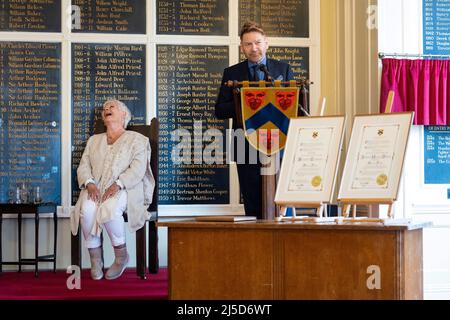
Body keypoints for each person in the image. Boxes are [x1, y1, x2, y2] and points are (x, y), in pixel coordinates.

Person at [215, 22, 294, 219]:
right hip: (245, 144)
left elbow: (295, 105)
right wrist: (247, 104)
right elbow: (219, 110)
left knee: (280, 200)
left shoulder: (283, 69)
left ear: (267, 43)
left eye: (258, 43)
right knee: (252, 200)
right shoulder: (231, 73)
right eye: (248, 44)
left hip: (279, 143)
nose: (254, 48)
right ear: (242, 47)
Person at [71, 99, 155, 280]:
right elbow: (83, 166)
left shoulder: (138, 140)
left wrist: (118, 184)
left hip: (126, 187)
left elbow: (138, 169)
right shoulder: (94, 141)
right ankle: (96, 259)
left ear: (124, 114)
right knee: (87, 209)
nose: (107, 109)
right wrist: (90, 183)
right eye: (105, 108)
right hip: (96, 187)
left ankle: (121, 256)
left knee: (109, 209)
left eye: (112, 107)